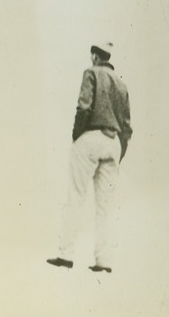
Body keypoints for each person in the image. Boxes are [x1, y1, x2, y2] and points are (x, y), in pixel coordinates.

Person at [47, 41, 132, 273]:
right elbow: (127, 126)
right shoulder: (122, 84)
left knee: (76, 196)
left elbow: (84, 107)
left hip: (91, 137)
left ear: (95, 56)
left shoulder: (91, 73)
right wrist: (119, 150)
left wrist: (77, 136)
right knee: (105, 207)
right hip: (113, 142)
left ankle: (65, 255)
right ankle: (103, 261)